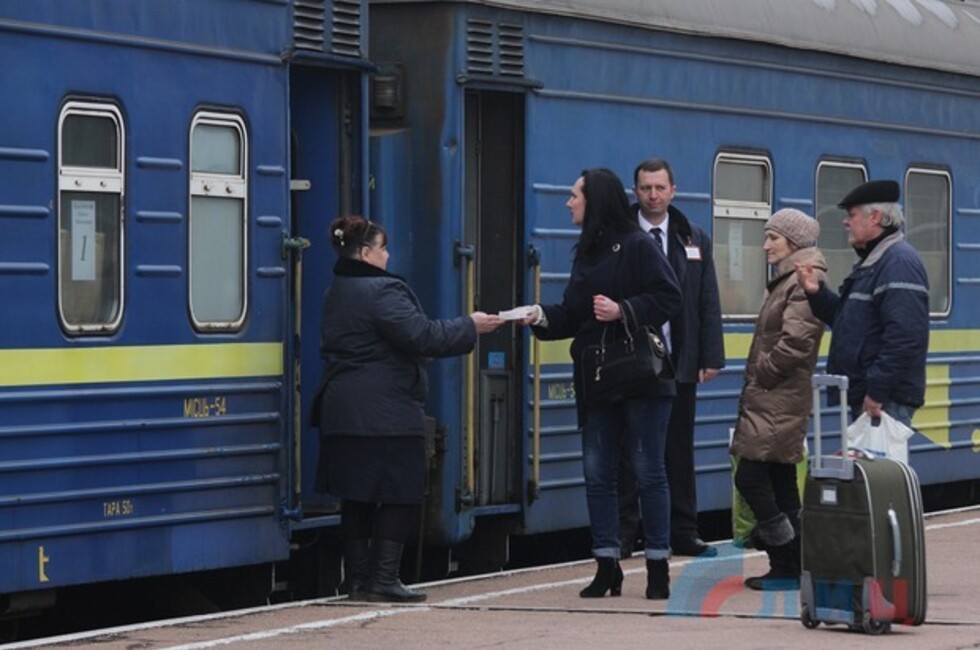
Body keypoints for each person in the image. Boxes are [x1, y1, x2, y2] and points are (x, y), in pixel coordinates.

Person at [313, 215, 503, 603]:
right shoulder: (381, 291)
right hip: (384, 412)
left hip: (343, 409)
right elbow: (423, 335)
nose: (388, 254)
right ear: (366, 253)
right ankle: (383, 579)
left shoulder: (337, 289)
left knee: (357, 496)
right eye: (383, 248)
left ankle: (358, 582)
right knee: (400, 492)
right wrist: (470, 325)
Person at [521, 168, 682, 599]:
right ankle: (607, 564)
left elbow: (670, 297)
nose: (569, 202)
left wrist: (624, 310)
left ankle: (658, 566)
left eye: (575, 196)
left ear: (596, 201)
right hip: (598, 377)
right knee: (598, 473)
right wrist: (538, 316)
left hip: (642, 378)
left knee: (649, 471)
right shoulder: (586, 252)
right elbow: (575, 315)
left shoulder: (637, 245)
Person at [619, 158, 725, 558]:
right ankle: (626, 532)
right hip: (632, 361)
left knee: (678, 448)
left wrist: (710, 355)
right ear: (636, 191)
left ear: (673, 191)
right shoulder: (620, 237)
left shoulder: (692, 237)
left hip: (679, 360)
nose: (653, 195)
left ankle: (684, 530)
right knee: (629, 449)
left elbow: (707, 300)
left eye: (660, 188)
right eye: (646, 188)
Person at [730, 208, 827, 590]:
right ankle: (797, 562)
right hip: (776, 396)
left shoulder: (803, 281)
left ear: (794, 243)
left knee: (751, 477)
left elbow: (797, 342)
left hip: (778, 396)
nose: (766, 244)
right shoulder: (790, 279)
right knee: (781, 479)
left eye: (773, 238)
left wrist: (764, 372)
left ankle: (786, 558)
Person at [795, 180, 929, 427]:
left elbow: (905, 336)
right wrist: (816, 293)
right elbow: (850, 323)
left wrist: (878, 390)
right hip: (871, 394)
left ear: (876, 217)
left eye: (852, 214)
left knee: (880, 465)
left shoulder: (898, 264)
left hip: (885, 401)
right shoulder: (874, 263)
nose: (846, 221)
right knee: (868, 465)